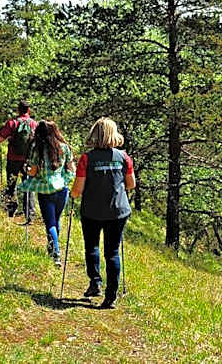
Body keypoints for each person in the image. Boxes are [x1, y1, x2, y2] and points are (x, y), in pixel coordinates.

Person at [71, 117, 136, 309]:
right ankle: (111, 296)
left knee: (92, 247)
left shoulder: (86, 159)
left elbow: (78, 190)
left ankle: (96, 282)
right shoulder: (124, 157)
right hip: (118, 211)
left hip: (91, 211)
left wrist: (72, 195)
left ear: (94, 134)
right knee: (112, 252)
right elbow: (131, 184)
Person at [18, 121, 75, 266]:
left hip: (45, 190)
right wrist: (65, 180)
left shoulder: (39, 149)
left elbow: (34, 171)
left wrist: (26, 170)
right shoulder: (65, 148)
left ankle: (55, 253)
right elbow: (71, 169)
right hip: (62, 189)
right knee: (56, 219)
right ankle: (52, 248)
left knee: (49, 222)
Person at [0, 100, 37, 220]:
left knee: (11, 184)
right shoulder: (34, 124)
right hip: (28, 160)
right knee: (29, 185)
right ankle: (30, 214)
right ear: (29, 110)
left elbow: (0, 139)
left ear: (18, 110)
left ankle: (10, 210)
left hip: (13, 159)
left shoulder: (12, 123)